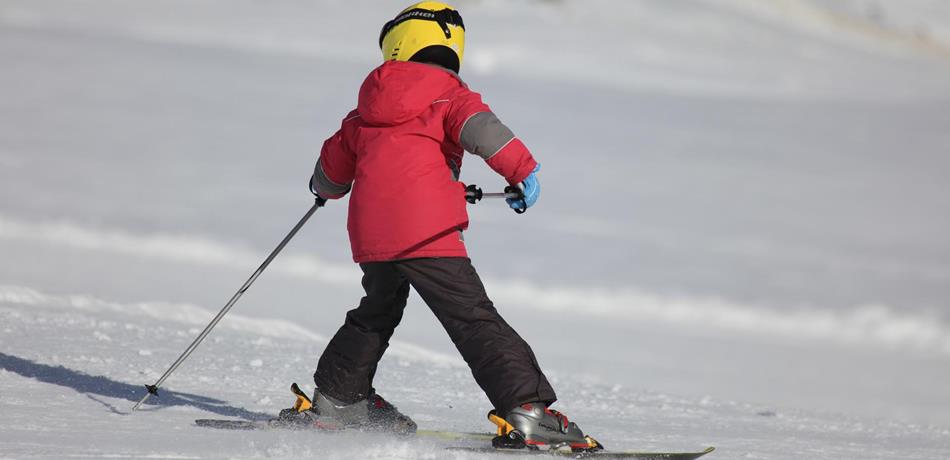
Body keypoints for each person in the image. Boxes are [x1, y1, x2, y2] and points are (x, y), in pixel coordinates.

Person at [280, 2, 599, 451]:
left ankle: (339, 400)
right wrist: (522, 170)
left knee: (377, 311)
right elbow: (481, 130)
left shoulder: (365, 108)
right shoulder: (450, 94)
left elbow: (331, 173)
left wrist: (321, 187)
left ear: (397, 46)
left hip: (373, 238)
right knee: (472, 317)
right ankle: (528, 410)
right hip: (428, 234)